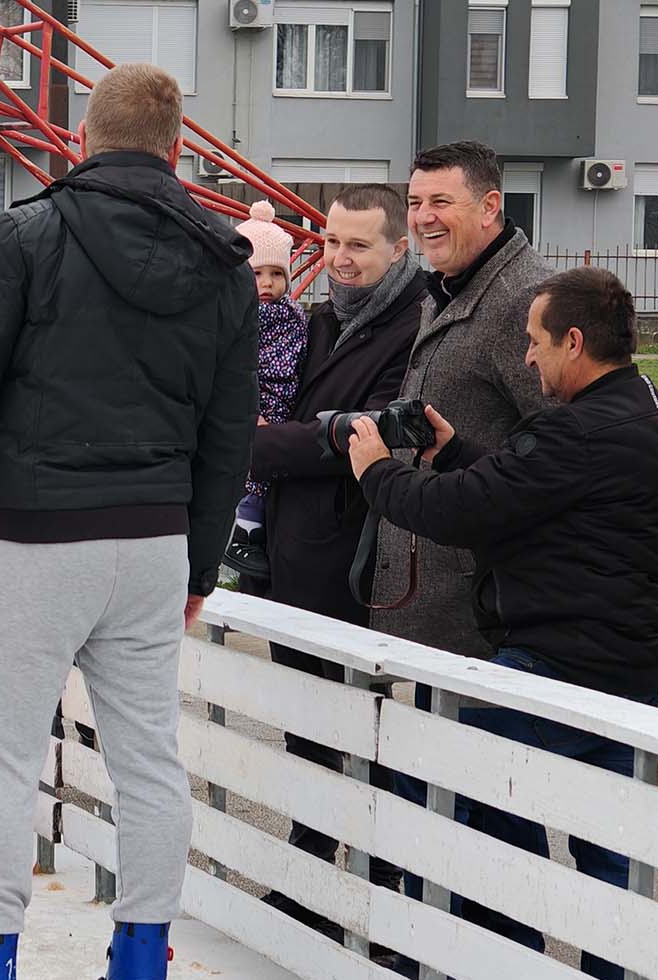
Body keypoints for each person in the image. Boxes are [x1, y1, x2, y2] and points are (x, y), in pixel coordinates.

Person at [0, 65, 258, 980]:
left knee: (0, 754)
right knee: (149, 760)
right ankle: (138, 972)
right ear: (175, 149)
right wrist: (200, 560)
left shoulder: (30, 234)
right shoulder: (224, 263)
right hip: (156, 541)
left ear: (84, 136)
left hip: (38, 537)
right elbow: (227, 432)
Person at [347, 268, 658, 980]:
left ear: (573, 340)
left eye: (534, 343)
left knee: (441, 781)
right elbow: (530, 493)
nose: (527, 357)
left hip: (557, 668)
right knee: (608, 853)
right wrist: (455, 453)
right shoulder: (649, 411)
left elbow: (463, 512)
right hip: (627, 669)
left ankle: (500, 969)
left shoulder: (578, 430)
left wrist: (378, 473)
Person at [245, 182, 427, 936]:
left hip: (358, 563)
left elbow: (369, 435)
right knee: (307, 727)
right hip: (298, 559)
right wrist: (307, 436)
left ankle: (384, 892)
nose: (341, 260)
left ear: (397, 250)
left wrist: (273, 440)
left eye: (360, 246)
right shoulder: (319, 323)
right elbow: (304, 426)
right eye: (332, 244)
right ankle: (310, 869)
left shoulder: (413, 328)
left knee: (372, 731)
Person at [373, 141, 552, 656]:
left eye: (441, 202)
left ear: (490, 206)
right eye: (414, 202)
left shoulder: (527, 301)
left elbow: (565, 449)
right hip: (449, 588)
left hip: (492, 603)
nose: (423, 218)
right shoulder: (452, 284)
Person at [220, 200, 308, 588]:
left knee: (269, 469)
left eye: (276, 274)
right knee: (250, 470)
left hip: (283, 401)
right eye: (257, 273)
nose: (267, 283)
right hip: (252, 402)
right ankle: (243, 531)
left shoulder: (293, 317)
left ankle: (250, 529)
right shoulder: (231, 312)